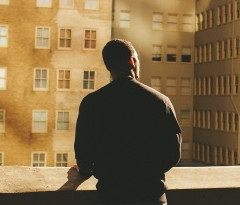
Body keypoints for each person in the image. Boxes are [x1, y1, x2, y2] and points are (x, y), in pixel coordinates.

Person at [74, 39, 182, 205]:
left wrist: (85, 170)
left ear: (108, 66)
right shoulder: (160, 101)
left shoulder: (91, 103)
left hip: (111, 196)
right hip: (151, 196)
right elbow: (173, 153)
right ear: (132, 61)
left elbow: (84, 154)